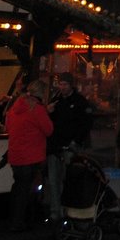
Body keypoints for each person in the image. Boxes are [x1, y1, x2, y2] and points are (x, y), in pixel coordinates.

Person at [4, 80, 53, 232]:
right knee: (29, 190)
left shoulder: (15, 108)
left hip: (16, 155)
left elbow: (8, 127)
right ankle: (23, 222)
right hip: (32, 156)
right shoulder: (37, 110)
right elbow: (49, 130)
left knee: (18, 188)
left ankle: (14, 219)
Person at [46, 71, 93, 222]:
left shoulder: (79, 102)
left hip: (70, 146)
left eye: (65, 84)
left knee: (68, 179)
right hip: (55, 146)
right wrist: (49, 113)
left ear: (70, 85)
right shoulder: (56, 100)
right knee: (54, 181)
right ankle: (56, 211)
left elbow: (85, 124)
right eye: (60, 84)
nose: (62, 87)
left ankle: (68, 210)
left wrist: (76, 141)